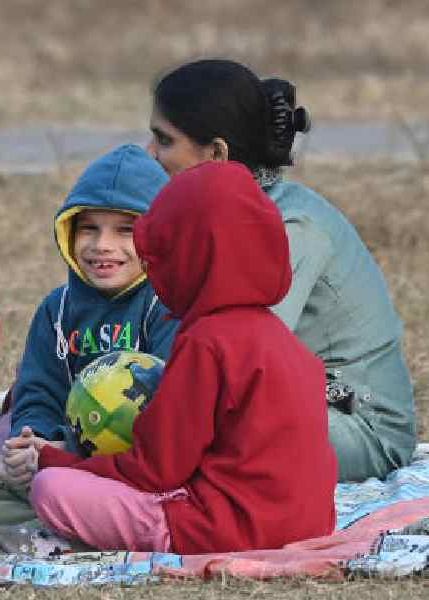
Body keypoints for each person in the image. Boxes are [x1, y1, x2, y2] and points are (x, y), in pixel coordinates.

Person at [23, 161, 338, 553]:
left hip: (222, 529)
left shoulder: (206, 341)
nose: (156, 272)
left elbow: (156, 470)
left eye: (162, 258)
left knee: (51, 490)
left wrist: (58, 462)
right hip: (309, 525)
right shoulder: (283, 340)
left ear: (193, 257)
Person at [145, 58, 416, 482]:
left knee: (180, 430)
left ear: (216, 154)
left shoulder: (290, 226)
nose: (151, 154)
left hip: (360, 426)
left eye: (164, 140)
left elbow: (239, 362)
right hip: (287, 403)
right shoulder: (220, 216)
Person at [0, 145, 178, 527]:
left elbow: (165, 412)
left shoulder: (167, 306)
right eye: (89, 227)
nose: (102, 245)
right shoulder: (56, 310)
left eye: (126, 230)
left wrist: (63, 448)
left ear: (159, 235)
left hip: (132, 464)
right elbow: (40, 389)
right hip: (57, 447)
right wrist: (33, 438)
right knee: (3, 434)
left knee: (42, 490)